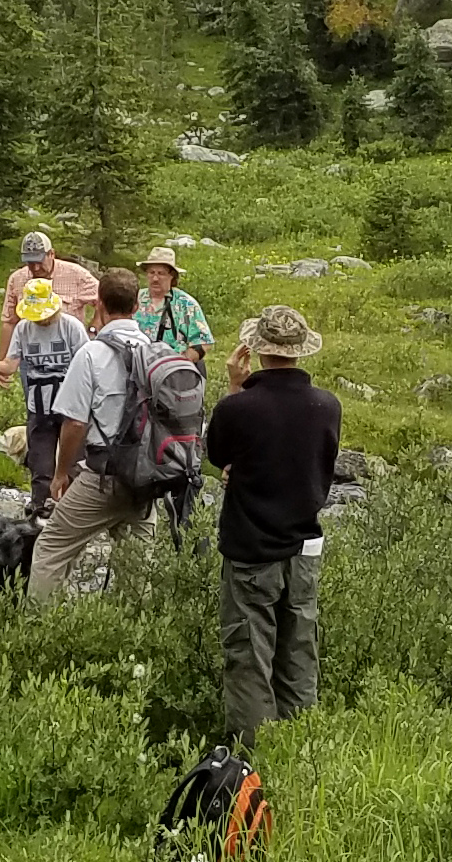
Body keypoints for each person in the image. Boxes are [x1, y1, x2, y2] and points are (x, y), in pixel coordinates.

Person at [203, 305, 340, 741]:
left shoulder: (239, 408)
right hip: (304, 549)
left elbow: (218, 453)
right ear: (300, 351)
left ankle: (254, 759)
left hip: (251, 550)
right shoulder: (327, 406)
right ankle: (301, 750)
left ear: (255, 350)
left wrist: (233, 388)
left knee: (248, 656)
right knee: (299, 652)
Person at [28, 266, 153, 598]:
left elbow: (75, 424)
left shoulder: (92, 353)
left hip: (104, 475)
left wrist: (60, 474)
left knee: (51, 547)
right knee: (137, 562)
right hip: (149, 477)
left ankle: (39, 631)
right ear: (137, 305)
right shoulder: (156, 352)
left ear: (98, 303)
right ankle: (137, 636)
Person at [0, 271, 86, 521]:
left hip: (71, 406)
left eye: (44, 315)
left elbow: (88, 364)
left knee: (73, 458)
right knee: (40, 460)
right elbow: (11, 365)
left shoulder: (71, 327)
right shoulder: (23, 329)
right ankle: (40, 506)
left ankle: (72, 507)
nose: (41, 321)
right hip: (39, 405)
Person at [134, 242, 212, 534]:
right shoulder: (137, 301)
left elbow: (201, 344)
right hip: (142, 380)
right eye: (151, 272)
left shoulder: (185, 304)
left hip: (176, 382)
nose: (155, 278)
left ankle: (185, 499)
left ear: (172, 276)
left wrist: (176, 366)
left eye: (161, 273)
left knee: (181, 437)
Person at [0, 230, 70, 366]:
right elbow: (9, 321)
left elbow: (105, 297)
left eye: (39, 261)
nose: (35, 268)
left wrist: (93, 329)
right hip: (31, 356)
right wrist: (2, 363)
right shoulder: (16, 279)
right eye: (30, 262)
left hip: (66, 356)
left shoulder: (75, 274)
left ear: (51, 254)